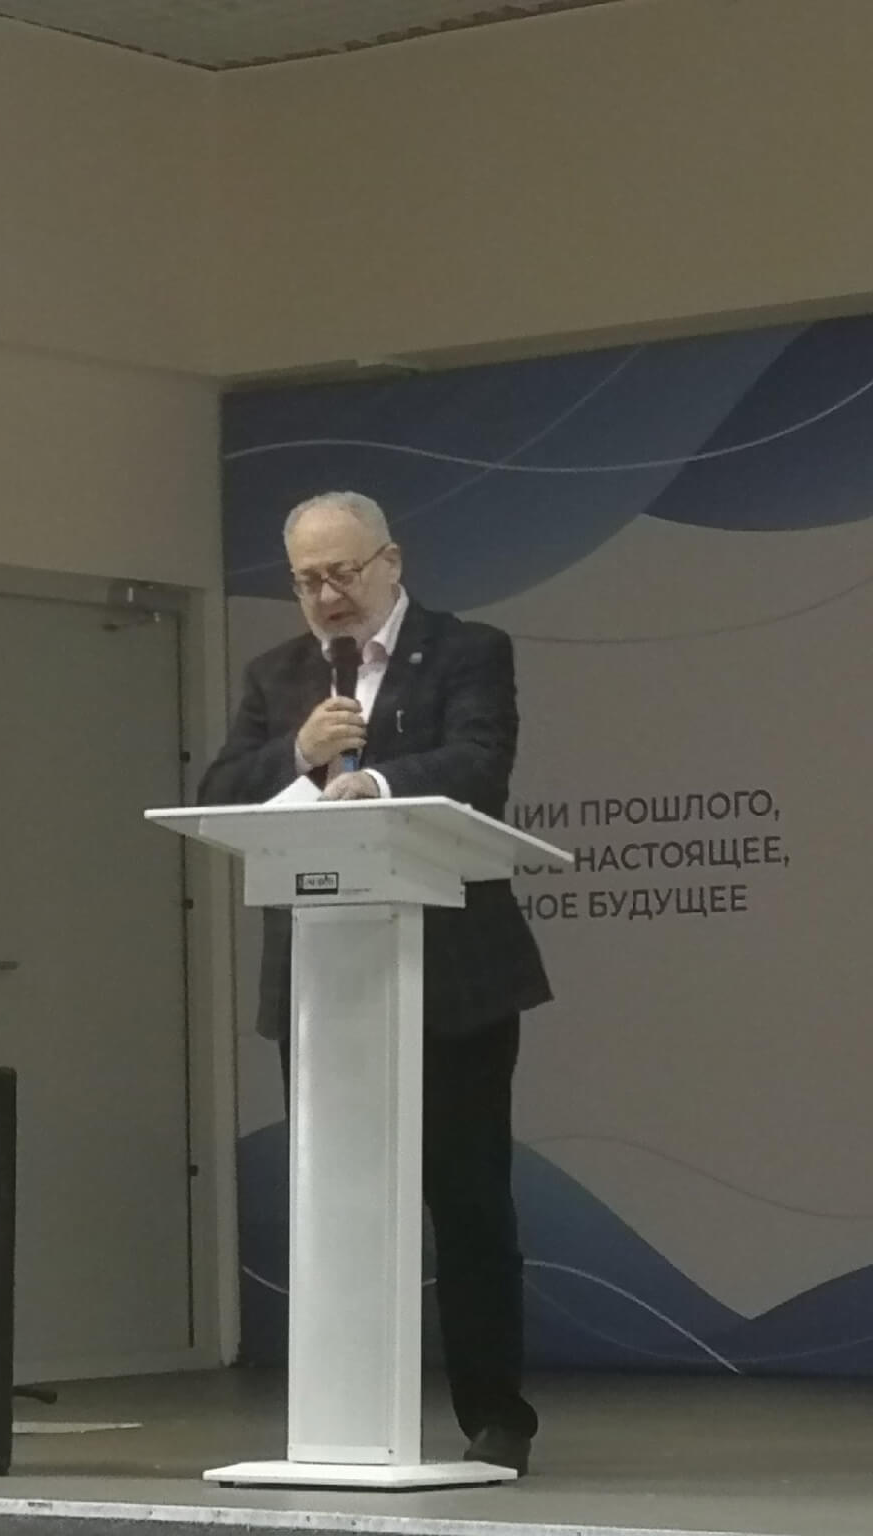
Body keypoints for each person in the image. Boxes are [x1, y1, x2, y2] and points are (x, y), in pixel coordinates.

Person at [198, 489, 550, 1475]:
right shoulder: (277, 676)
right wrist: (298, 755)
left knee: (467, 1203)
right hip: (323, 983)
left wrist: (378, 784)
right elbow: (219, 792)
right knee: (338, 1204)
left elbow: (480, 764)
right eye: (307, 580)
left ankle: (496, 1417)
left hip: (454, 977)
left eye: (343, 573)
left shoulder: (467, 650)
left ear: (390, 562)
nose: (327, 596)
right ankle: (341, 1416)